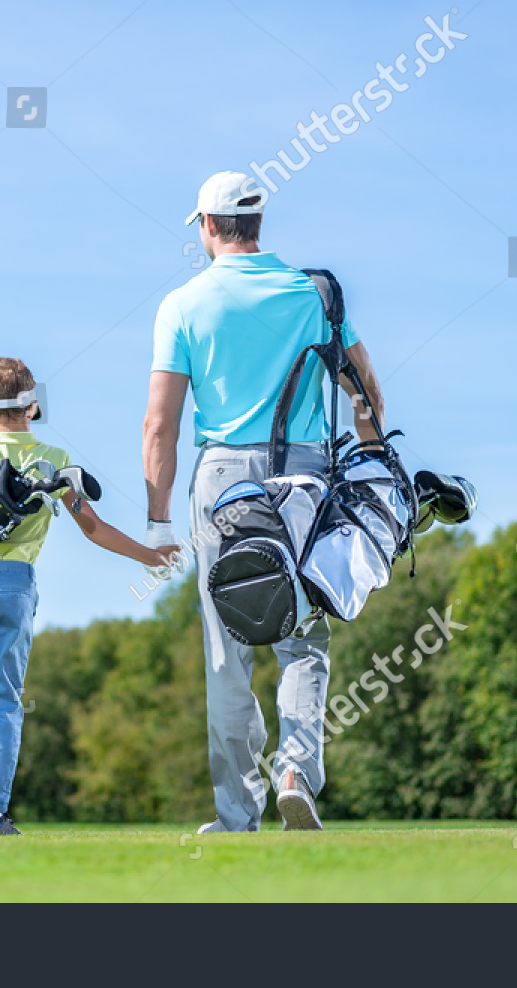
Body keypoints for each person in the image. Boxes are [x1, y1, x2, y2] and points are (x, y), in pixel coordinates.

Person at [140, 172, 386, 833]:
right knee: (302, 636)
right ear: (257, 222)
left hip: (222, 477)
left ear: (207, 225)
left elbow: (159, 426)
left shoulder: (183, 304)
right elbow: (367, 393)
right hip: (303, 475)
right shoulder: (316, 293)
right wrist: (371, 470)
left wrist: (158, 520)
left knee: (229, 646)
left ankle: (237, 813)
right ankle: (296, 772)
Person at [0, 357, 180, 836]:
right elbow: (93, 528)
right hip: (16, 586)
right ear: (33, 407)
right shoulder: (55, 459)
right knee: (5, 698)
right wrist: (150, 556)